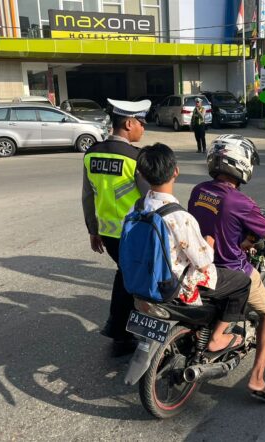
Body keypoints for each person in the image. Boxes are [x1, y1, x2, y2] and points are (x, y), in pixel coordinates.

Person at [188, 134, 265, 404]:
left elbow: (215, 226)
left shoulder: (199, 190)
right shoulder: (240, 202)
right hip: (230, 270)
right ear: (242, 164)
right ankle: (257, 379)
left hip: (200, 263)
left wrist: (241, 240)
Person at [134, 143, 251, 353]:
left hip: (144, 276)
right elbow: (204, 262)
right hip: (178, 282)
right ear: (176, 172)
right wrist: (209, 243)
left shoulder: (138, 207)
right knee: (242, 282)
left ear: (141, 174)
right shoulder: (179, 217)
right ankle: (217, 337)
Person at [82, 98, 151, 356]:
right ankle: (122, 334)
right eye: (141, 123)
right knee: (132, 282)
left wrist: (92, 229)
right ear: (129, 123)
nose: (143, 129)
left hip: (107, 233)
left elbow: (88, 195)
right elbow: (150, 200)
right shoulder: (135, 157)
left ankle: (121, 332)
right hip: (133, 234)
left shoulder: (93, 153)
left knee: (125, 276)